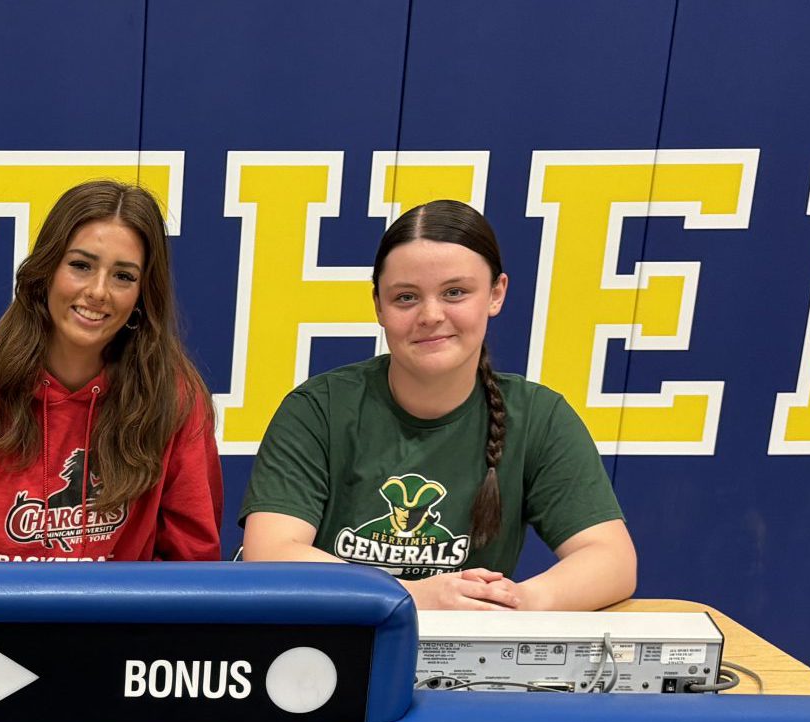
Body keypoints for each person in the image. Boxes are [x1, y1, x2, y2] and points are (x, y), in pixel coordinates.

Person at [238, 200, 636, 611]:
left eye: (455, 292)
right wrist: (409, 596)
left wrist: (518, 601)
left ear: (496, 294)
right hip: (333, 653)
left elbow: (611, 558)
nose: (431, 315)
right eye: (406, 297)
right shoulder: (317, 409)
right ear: (378, 306)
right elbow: (270, 551)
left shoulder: (539, 416)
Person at [0, 180, 222, 562]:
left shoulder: (174, 403)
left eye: (123, 276)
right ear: (46, 271)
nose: (99, 291)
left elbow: (193, 565)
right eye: (81, 265)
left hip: (125, 623)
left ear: (142, 294)